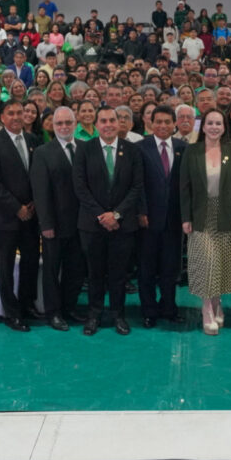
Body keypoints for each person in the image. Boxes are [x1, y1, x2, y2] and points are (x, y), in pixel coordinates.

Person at [74, 106, 144, 336]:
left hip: (122, 225)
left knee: (118, 273)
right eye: (103, 121)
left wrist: (116, 214)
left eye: (112, 120)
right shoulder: (85, 149)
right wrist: (101, 215)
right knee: (94, 273)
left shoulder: (132, 150)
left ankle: (118, 314)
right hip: (92, 225)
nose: (108, 124)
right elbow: (80, 187)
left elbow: (136, 187)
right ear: (96, 124)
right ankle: (94, 314)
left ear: (119, 123)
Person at [180, 109, 231, 335]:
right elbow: (185, 187)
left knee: (221, 264)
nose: (215, 127)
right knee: (206, 263)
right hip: (201, 214)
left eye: (219, 123)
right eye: (210, 123)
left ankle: (217, 302)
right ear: (203, 126)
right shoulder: (192, 151)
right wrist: (186, 218)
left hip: (226, 215)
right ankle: (207, 309)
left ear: (224, 126)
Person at [0, 99, 40, 332]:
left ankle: (27, 305)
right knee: (5, 266)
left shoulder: (33, 140)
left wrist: (33, 204)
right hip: (5, 216)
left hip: (32, 214)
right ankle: (11, 312)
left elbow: (38, 176)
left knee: (31, 261)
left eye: (20, 112)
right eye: (11, 113)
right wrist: (17, 208)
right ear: (2, 117)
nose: (17, 116)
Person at [30, 107, 88, 331]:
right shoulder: (43, 152)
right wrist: (46, 224)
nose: (64, 127)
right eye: (59, 123)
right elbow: (40, 191)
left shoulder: (85, 148)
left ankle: (69, 307)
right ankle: (53, 313)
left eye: (68, 122)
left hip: (81, 223)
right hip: (54, 224)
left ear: (75, 124)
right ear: (53, 127)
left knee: (75, 269)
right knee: (52, 270)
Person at [135, 105, 187, 328]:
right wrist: (141, 210)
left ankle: (169, 308)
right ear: (150, 123)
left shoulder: (183, 148)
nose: (163, 126)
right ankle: (148, 310)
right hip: (147, 219)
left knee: (170, 268)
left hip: (174, 220)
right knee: (146, 268)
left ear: (175, 124)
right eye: (159, 122)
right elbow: (136, 183)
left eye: (168, 122)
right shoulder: (139, 148)